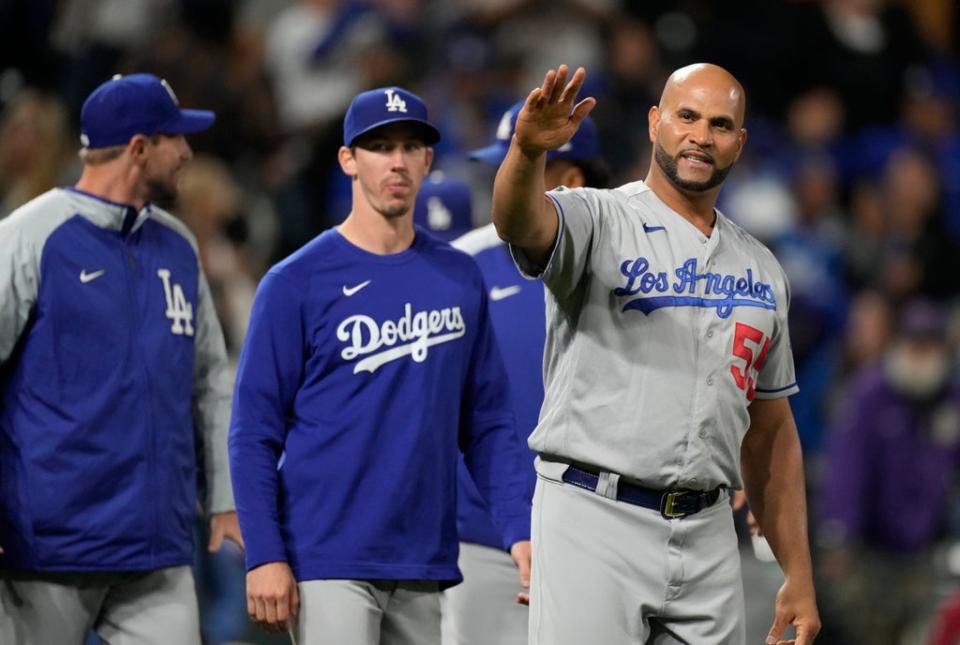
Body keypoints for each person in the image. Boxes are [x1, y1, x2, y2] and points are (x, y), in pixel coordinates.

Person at [491, 64, 821, 644]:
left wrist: (798, 572)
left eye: (721, 124)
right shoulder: (598, 217)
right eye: (686, 116)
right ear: (655, 123)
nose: (701, 135)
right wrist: (526, 152)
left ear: (739, 143)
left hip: (709, 530)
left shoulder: (761, 269)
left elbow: (770, 432)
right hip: (594, 518)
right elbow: (519, 222)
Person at [228, 86, 532, 644]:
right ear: (348, 159)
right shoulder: (296, 281)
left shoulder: (459, 276)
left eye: (410, 146)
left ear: (427, 160)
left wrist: (519, 528)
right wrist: (264, 554)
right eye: (379, 146)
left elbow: (486, 424)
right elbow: (253, 433)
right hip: (326, 552)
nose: (396, 161)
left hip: (422, 557)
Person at [0, 73, 241, 645]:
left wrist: (227, 498)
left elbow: (209, 381)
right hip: (49, 547)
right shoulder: (32, 237)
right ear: (138, 148)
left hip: (155, 548)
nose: (187, 153)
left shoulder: (179, 245)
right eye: (174, 139)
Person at [442, 100, 608, 645]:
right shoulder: (461, 263)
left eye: (526, 160)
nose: (504, 178)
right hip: (482, 536)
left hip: (601, 533)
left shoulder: (626, 263)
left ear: (574, 178)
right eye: (503, 163)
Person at [817, 299, 960, 644]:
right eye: (914, 344)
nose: (920, 354)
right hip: (869, 554)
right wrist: (839, 536)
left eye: (929, 346)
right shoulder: (871, 394)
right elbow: (847, 470)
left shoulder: (951, 399)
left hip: (925, 553)